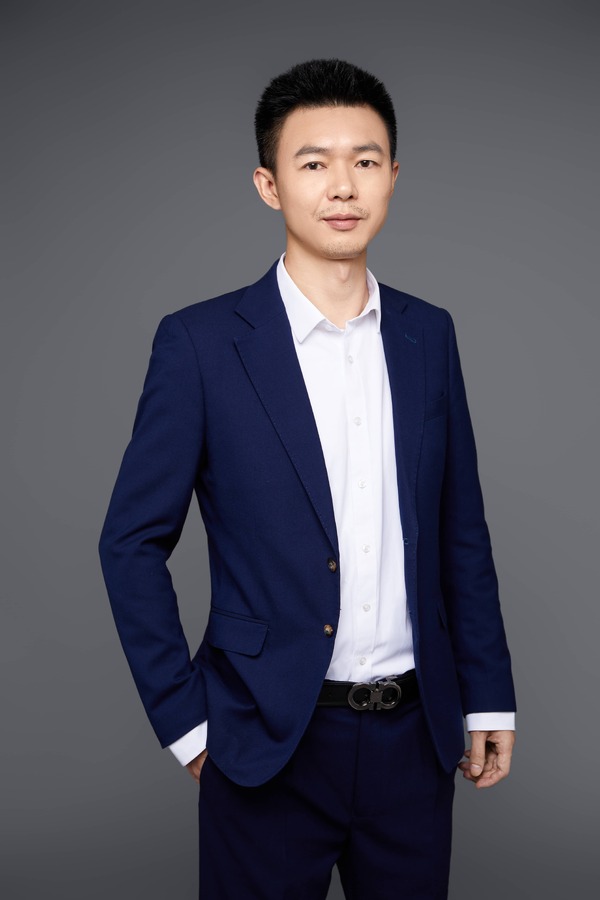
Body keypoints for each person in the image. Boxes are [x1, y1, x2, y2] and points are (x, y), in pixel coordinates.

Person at [99, 58, 516, 900]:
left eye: (365, 161)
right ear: (269, 185)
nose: (342, 186)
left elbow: (459, 531)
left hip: (415, 741)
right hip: (263, 738)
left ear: (392, 177)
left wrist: (489, 698)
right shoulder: (201, 345)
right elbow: (130, 543)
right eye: (314, 162)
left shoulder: (429, 336)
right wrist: (186, 724)